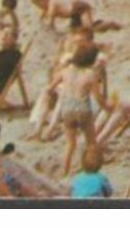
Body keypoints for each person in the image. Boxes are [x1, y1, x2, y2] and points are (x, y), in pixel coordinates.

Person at [49, 44, 109, 177]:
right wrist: (107, 108)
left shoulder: (65, 71)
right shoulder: (91, 74)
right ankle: (91, 170)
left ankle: (64, 172)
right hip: (83, 108)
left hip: (67, 109)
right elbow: (98, 97)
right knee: (91, 143)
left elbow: (50, 88)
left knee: (70, 143)